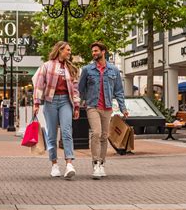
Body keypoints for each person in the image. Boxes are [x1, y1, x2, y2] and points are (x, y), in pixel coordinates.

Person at [78, 41, 129, 179]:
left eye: (96, 51)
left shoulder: (114, 70)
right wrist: (80, 103)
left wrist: (123, 108)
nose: (94, 53)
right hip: (92, 106)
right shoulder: (87, 69)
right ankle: (95, 164)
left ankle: (101, 164)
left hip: (107, 108)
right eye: (93, 51)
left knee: (104, 136)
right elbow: (80, 89)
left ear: (103, 52)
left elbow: (119, 91)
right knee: (96, 133)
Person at [32, 41, 80, 179]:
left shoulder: (71, 68)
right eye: (67, 50)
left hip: (66, 101)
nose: (70, 52)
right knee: (52, 135)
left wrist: (76, 106)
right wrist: (36, 103)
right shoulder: (47, 66)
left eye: (70, 50)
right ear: (60, 50)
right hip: (50, 102)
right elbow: (39, 85)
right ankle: (54, 165)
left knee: (66, 132)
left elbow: (75, 90)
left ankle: (69, 164)